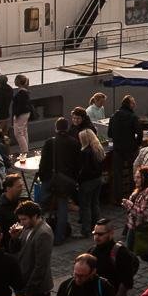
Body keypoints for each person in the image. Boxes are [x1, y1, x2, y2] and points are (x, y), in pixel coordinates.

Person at [90, 220, 138, 296]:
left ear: (111, 233)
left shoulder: (120, 253)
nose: (96, 237)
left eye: (100, 234)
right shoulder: (92, 251)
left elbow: (126, 282)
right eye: (95, 233)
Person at [37, 117, 80, 245]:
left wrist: (43, 177)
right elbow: (77, 164)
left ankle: (40, 233)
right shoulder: (74, 142)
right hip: (65, 181)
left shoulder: (50, 142)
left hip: (50, 178)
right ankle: (59, 237)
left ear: (56, 128)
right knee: (62, 208)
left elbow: (43, 162)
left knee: (43, 206)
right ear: (67, 128)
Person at [9, 201, 54, 296]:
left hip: (36, 289)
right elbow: (17, 251)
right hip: (24, 283)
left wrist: (27, 292)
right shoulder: (27, 227)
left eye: (24, 219)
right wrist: (14, 238)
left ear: (35, 216)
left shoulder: (43, 233)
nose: (21, 223)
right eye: (20, 219)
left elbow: (40, 266)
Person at [108, 97, 143, 204]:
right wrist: (136, 144)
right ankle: (133, 196)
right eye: (133, 103)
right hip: (130, 149)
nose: (135, 104)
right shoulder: (133, 117)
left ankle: (117, 199)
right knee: (133, 171)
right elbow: (140, 133)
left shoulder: (113, 116)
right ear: (129, 104)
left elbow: (109, 134)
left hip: (117, 149)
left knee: (117, 174)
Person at [121, 167, 148, 254]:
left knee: (144, 253)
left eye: (138, 177)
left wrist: (129, 205)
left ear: (145, 179)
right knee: (130, 252)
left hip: (143, 228)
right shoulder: (140, 189)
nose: (135, 180)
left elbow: (143, 213)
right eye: (135, 177)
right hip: (134, 226)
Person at [78, 130, 106, 237]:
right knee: (95, 203)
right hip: (98, 179)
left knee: (85, 206)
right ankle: (97, 226)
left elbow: (84, 170)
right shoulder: (98, 149)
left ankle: (86, 230)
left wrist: (79, 180)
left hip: (87, 182)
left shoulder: (85, 152)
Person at [11, 76, 34, 156]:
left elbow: (20, 106)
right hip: (26, 113)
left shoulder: (21, 93)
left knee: (18, 133)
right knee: (24, 131)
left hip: (21, 114)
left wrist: (16, 115)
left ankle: (24, 152)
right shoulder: (25, 92)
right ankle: (25, 150)